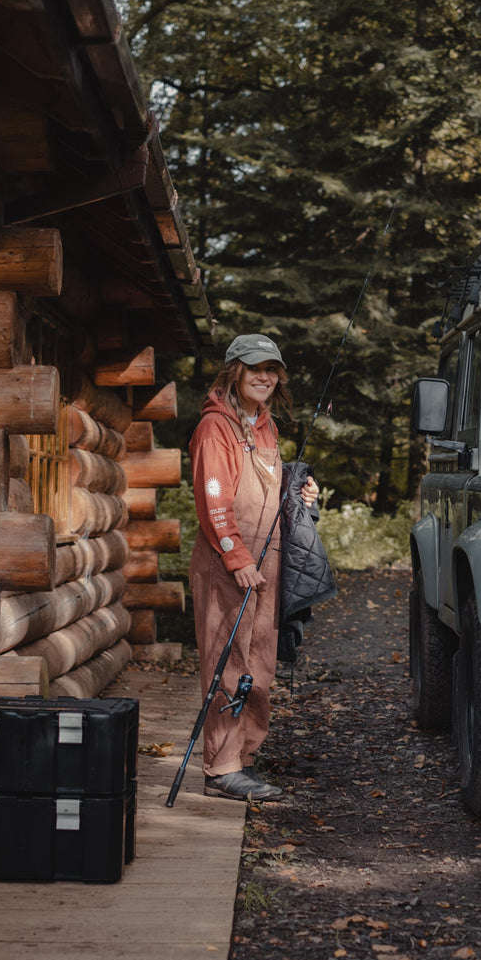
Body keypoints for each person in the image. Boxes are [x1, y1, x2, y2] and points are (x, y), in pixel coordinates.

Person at [189, 334, 318, 801]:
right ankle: (220, 769)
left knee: (259, 665)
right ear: (234, 372)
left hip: (270, 559)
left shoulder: (266, 425)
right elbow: (214, 500)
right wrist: (237, 558)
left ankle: (243, 756)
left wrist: (300, 490)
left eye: (271, 368)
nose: (263, 376)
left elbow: (267, 484)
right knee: (228, 664)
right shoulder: (214, 428)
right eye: (253, 367)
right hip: (228, 564)